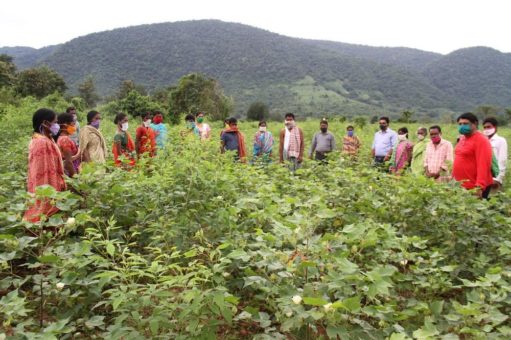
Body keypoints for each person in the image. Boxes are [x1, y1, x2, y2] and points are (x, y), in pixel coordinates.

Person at [24, 108, 66, 222]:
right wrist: (52, 191)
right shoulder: (42, 142)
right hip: (46, 187)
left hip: (51, 186)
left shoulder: (46, 138)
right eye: (55, 122)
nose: (57, 125)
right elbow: (44, 172)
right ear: (46, 123)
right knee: (44, 214)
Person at [453, 112, 493, 199]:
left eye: (465, 124)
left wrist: (479, 187)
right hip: (461, 185)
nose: (462, 126)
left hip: (474, 187)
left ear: (475, 124)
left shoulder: (481, 140)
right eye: (460, 124)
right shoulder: (463, 138)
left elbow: (484, 165)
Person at [482, 117, 508, 189]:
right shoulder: (482, 140)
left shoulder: (501, 141)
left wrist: (498, 178)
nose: (487, 129)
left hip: (494, 176)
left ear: (495, 127)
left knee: (492, 197)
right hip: (483, 175)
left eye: (489, 127)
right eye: (485, 127)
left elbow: (502, 160)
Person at [57, 112, 80, 177]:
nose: (74, 126)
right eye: (73, 124)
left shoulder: (60, 138)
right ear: (65, 125)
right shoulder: (65, 140)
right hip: (70, 172)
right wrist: (75, 177)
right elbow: (68, 161)